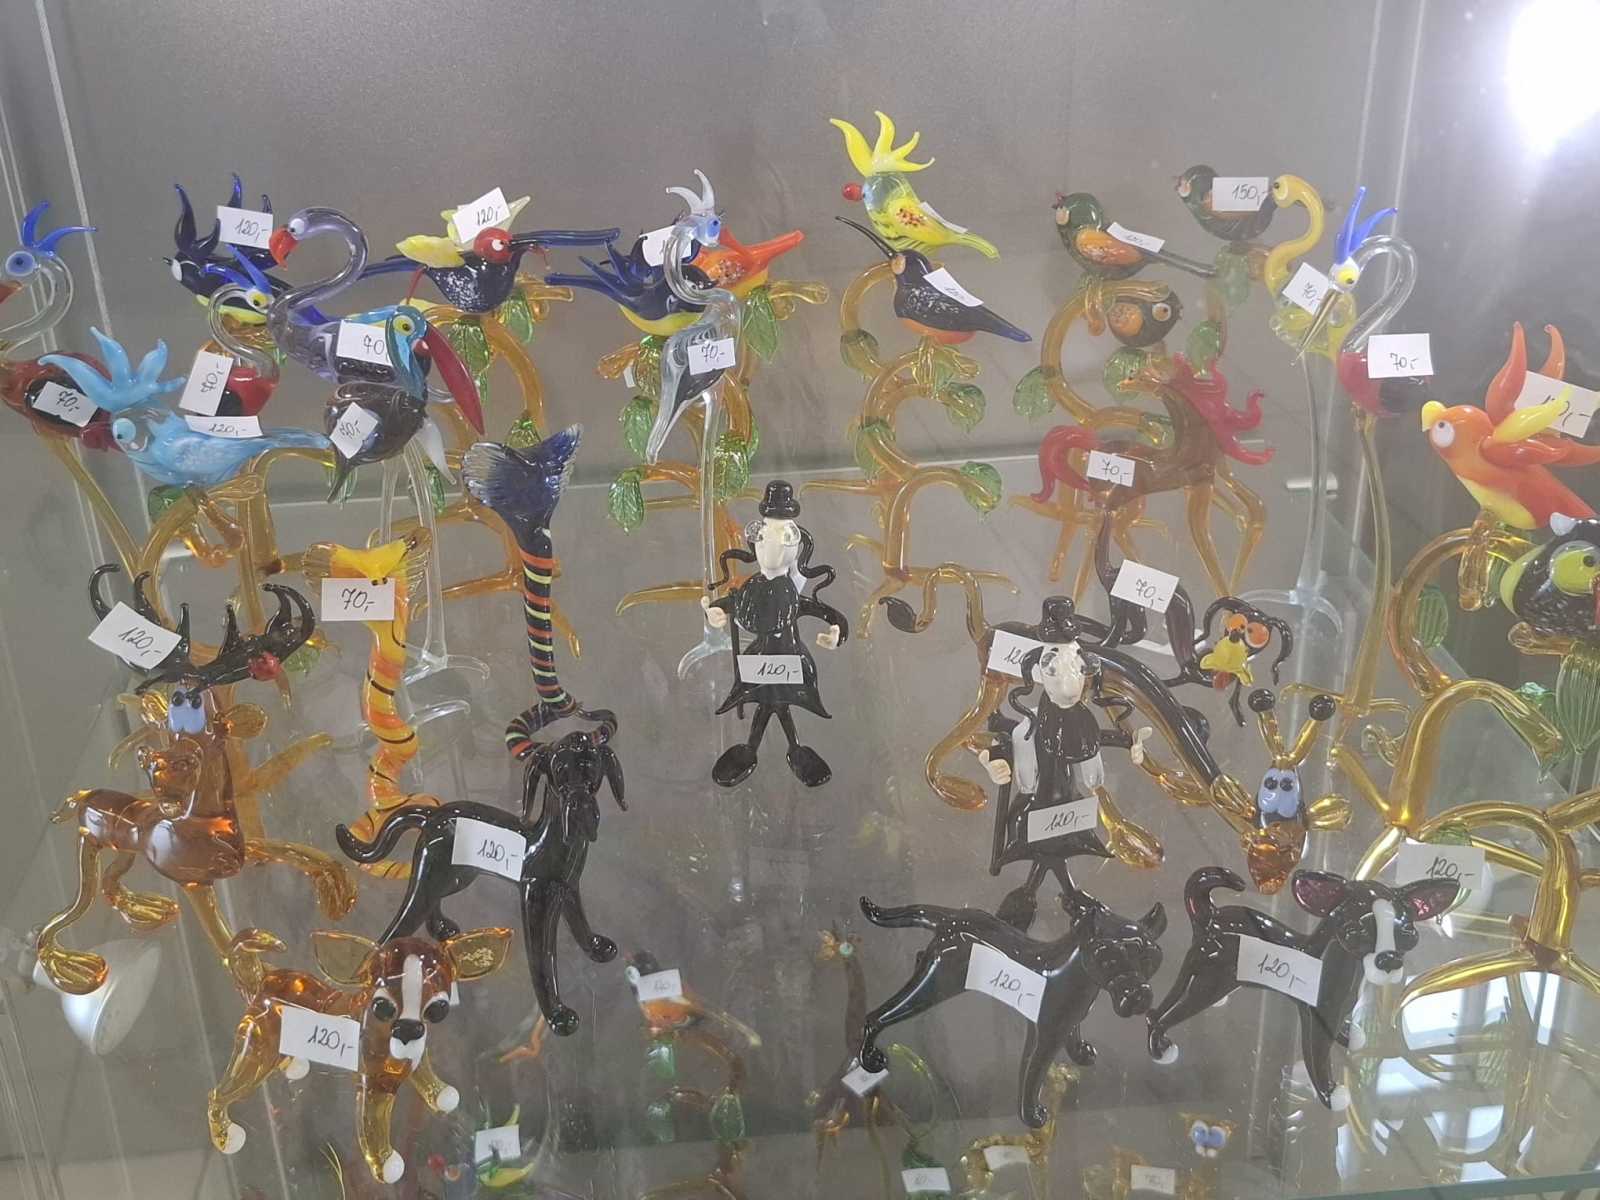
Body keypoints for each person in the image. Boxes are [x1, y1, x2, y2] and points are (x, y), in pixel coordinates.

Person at [702, 481, 848, 787]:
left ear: (796, 545)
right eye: (764, 534)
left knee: (775, 703)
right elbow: (731, 604)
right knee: (770, 703)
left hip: (789, 661)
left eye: (784, 538)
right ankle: (771, 749)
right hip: (761, 661)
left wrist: (836, 631)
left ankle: (773, 749)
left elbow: (827, 613)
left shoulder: (791, 594)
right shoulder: (752, 589)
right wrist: (715, 613)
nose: (771, 546)